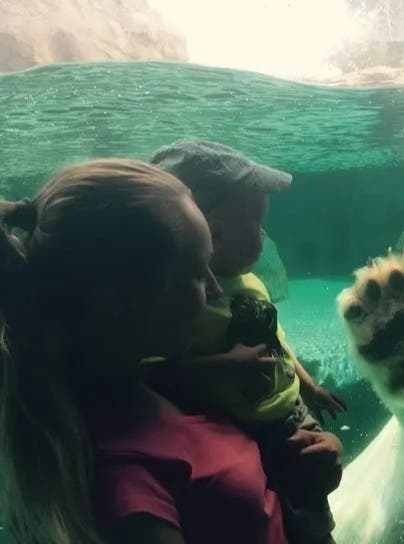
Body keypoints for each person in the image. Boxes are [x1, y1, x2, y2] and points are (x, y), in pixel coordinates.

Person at [0, 159, 342, 544]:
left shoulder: (163, 390)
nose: (215, 289)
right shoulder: (126, 485)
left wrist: (311, 469)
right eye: (197, 272)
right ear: (122, 301)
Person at [146, 138, 345, 544]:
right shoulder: (178, 307)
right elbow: (153, 374)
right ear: (214, 230)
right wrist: (227, 367)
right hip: (245, 432)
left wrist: (309, 388)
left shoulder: (250, 283)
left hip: (286, 416)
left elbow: (273, 339)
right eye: (256, 224)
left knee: (314, 514)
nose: (264, 234)